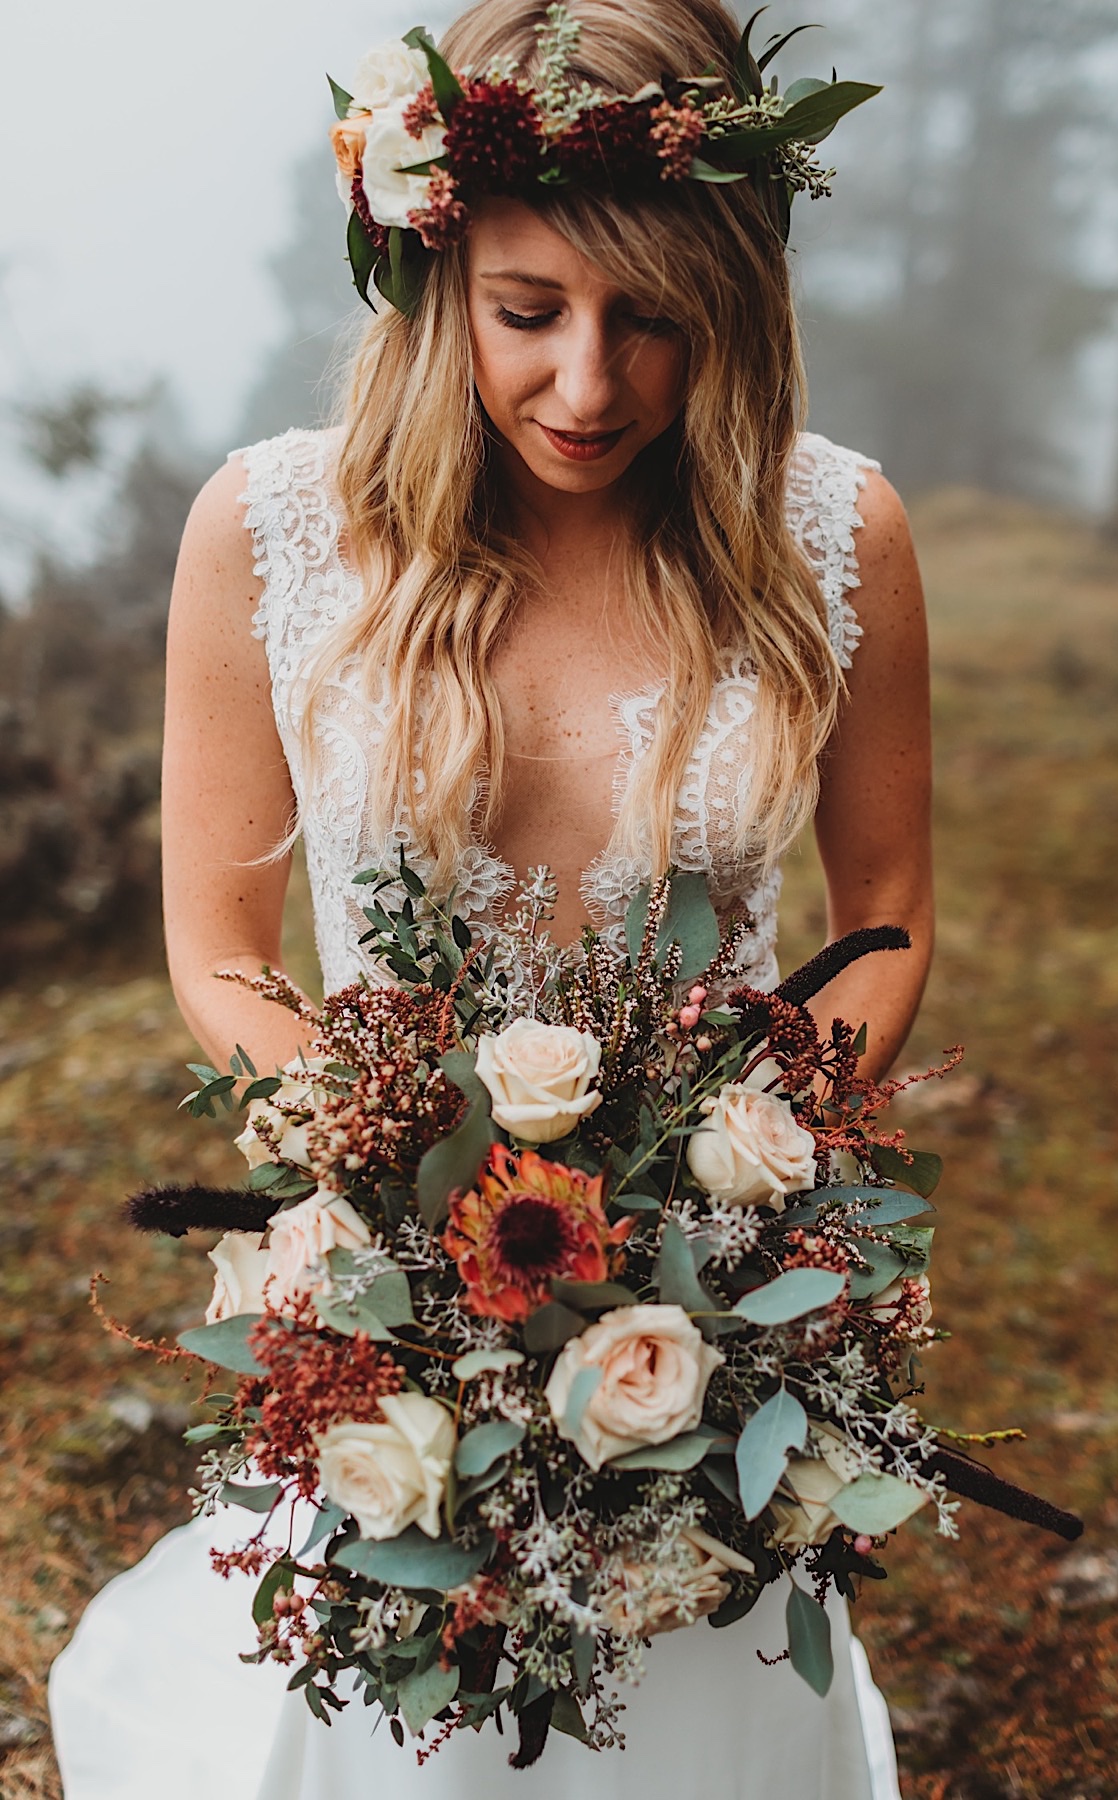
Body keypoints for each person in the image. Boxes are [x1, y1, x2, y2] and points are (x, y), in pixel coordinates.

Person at [50, 1, 932, 1794]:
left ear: (736, 310)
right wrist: (383, 1179)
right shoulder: (275, 532)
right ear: (430, 269)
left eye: (654, 322)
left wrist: (740, 1176)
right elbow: (221, 948)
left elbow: (888, 909)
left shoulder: (834, 536)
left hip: (707, 1310)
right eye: (527, 314)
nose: (588, 387)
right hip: (400, 1294)